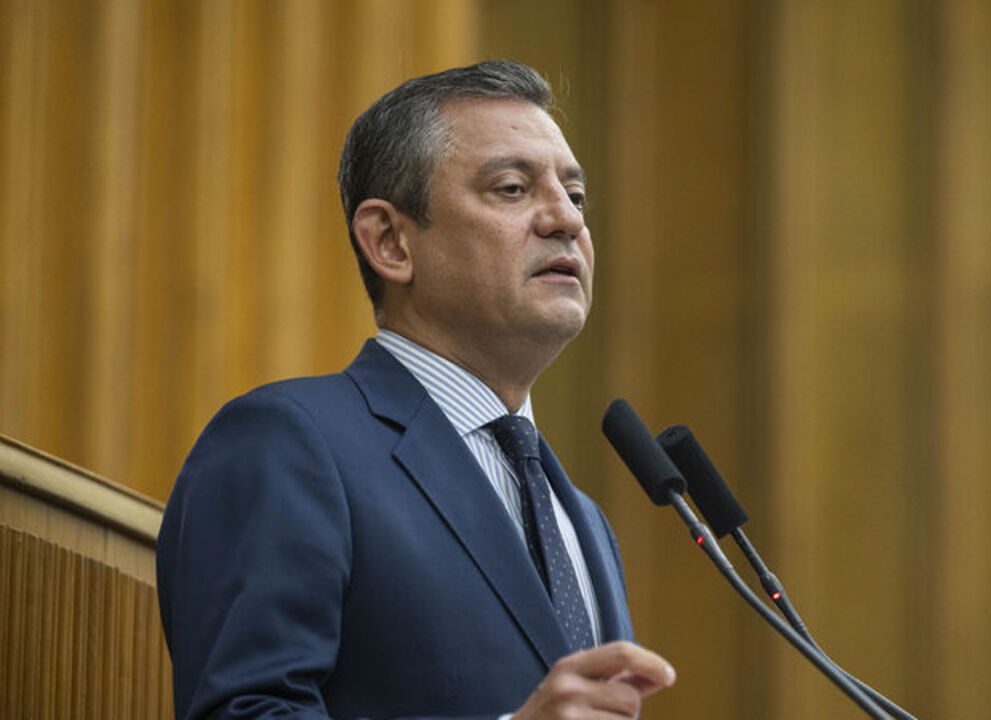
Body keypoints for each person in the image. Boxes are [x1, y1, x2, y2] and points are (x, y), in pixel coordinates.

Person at [157, 61, 676, 720]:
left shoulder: (584, 521)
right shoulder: (288, 444)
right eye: (513, 188)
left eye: (575, 197)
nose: (564, 220)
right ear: (391, 242)